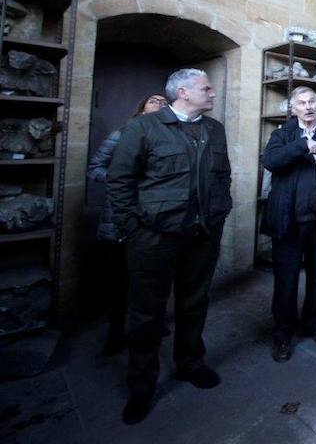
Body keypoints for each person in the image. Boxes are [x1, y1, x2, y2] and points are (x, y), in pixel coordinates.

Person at [107, 69, 232, 425]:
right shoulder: (143, 128)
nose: (212, 93)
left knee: (194, 302)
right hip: (154, 237)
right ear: (183, 92)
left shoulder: (214, 129)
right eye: (206, 88)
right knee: (146, 312)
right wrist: (133, 227)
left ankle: (191, 363)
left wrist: (221, 211)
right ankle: (141, 386)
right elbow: (119, 180)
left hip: (203, 233)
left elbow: (222, 176)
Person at [262, 86, 316, 363]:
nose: (308, 106)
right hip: (288, 221)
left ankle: (314, 323)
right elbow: (272, 162)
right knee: (286, 280)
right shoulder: (282, 135)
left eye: (313, 101)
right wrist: (303, 145)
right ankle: (282, 334)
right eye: (302, 102)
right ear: (293, 109)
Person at [88, 94, 168, 357]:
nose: (160, 103)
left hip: (155, 218)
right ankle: (115, 333)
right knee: (120, 279)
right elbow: (95, 168)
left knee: (154, 279)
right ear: (142, 106)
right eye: (154, 100)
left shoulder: (169, 136)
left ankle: (152, 326)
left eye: (164, 101)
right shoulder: (122, 134)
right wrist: (121, 179)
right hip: (121, 218)